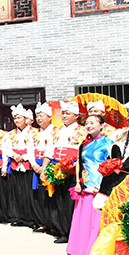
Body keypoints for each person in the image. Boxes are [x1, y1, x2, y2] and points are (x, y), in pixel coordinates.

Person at [66, 115, 113, 255]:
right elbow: (80, 162)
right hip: (85, 184)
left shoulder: (108, 143)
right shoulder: (84, 144)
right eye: (87, 123)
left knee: (97, 221)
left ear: (102, 125)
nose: (89, 125)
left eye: (92, 123)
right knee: (84, 219)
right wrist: (78, 183)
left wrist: (104, 187)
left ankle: (94, 253)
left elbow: (111, 166)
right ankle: (80, 248)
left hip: (98, 186)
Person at [42, 101, 86, 244]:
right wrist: (44, 169)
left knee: (69, 202)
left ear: (77, 116)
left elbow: (82, 153)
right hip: (56, 169)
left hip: (72, 171)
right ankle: (59, 228)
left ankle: (69, 231)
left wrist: (72, 165)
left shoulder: (82, 131)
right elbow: (49, 151)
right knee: (57, 200)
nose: (65, 116)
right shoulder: (56, 131)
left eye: (68, 113)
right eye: (63, 113)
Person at [3, 104, 39, 227]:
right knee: (17, 192)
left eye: (19, 117)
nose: (17, 120)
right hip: (15, 165)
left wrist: (24, 157)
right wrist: (14, 155)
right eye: (15, 118)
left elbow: (35, 149)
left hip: (29, 165)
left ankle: (32, 218)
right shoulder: (10, 134)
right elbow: (6, 149)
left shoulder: (35, 132)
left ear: (25, 118)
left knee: (29, 193)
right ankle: (18, 217)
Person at [28, 102, 58, 234]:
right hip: (36, 165)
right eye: (38, 116)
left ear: (50, 117)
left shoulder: (56, 131)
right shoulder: (33, 132)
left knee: (51, 195)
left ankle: (53, 224)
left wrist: (44, 167)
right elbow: (30, 149)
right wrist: (34, 164)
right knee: (38, 195)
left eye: (42, 115)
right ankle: (42, 222)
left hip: (50, 166)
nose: (39, 118)